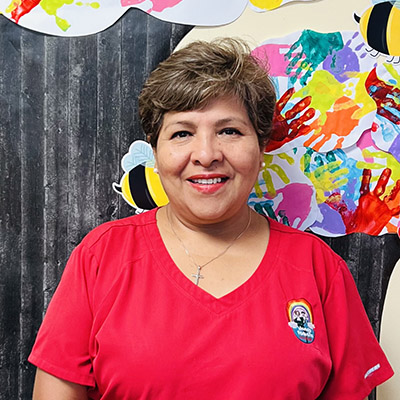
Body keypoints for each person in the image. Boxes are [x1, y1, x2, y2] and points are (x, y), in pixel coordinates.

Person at [29, 38, 393, 400]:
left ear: (261, 147)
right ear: (155, 152)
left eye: (229, 131)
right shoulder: (100, 257)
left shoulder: (319, 269)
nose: (206, 155)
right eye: (182, 133)